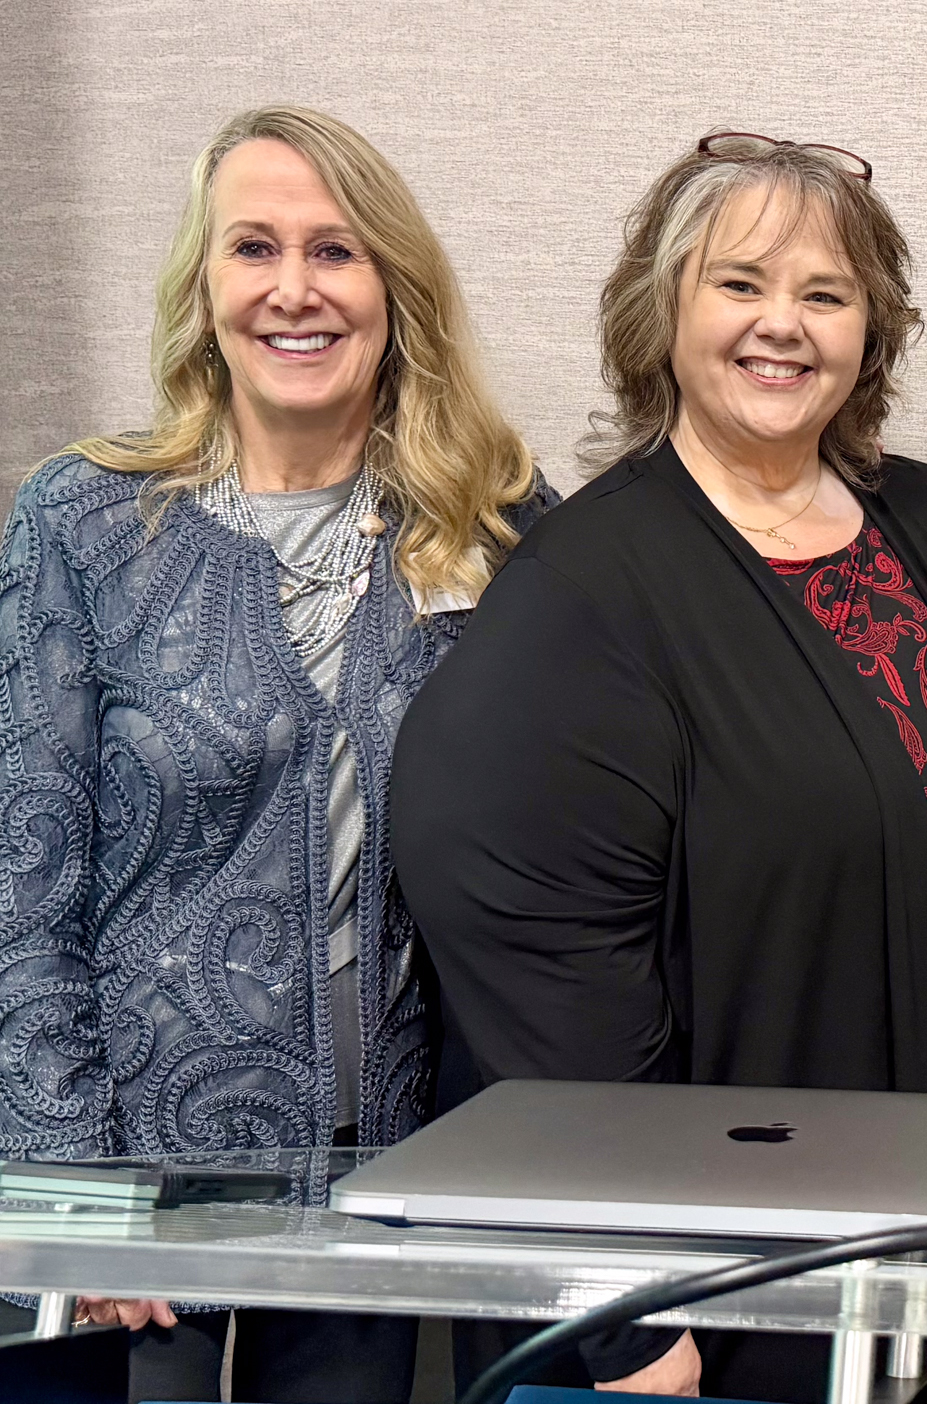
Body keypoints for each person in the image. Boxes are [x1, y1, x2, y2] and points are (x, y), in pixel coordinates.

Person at [389, 133, 927, 1404]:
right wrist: (630, 1311)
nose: (783, 325)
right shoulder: (586, 589)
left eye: (826, 293)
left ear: (874, 328)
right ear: (663, 310)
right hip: (729, 1280)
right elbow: (541, 973)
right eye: (739, 283)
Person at [0, 106, 547, 1402]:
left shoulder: (501, 527)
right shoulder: (82, 523)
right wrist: (77, 1191)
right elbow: (21, 884)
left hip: (378, 1177)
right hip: (141, 1179)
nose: (294, 290)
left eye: (336, 251)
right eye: (255, 248)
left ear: (395, 287)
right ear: (205, 286)